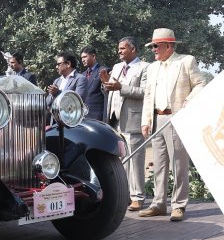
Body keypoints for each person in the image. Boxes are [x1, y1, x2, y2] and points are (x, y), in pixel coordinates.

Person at [139, 28, 205, 222]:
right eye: (152, 46)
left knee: (178, 163)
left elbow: (200, 83)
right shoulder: (152, 68)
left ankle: (178, 205)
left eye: (156, 46)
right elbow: (148, 96)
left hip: (177, 117)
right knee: (159, 165)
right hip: (157, 119)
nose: (153, 49)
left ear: (168, 45)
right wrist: (146, 121)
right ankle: (158, 204)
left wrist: (190, 100)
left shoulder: (186, 61)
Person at [101, 36, 149, 211]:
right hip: (114, 120)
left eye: (122, 48)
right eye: (118, 48)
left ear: (133, 49)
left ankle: (138, 196)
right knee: (121, 160)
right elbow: (109, 88)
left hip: (133, 120)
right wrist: (105, 83)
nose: (119, 51)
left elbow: (145, 92)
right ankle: (126, 194)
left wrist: (121, 87)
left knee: (136, 159)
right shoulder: (116, 67)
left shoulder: (144, 67)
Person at [80, 47, 106, 121]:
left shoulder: (103, 71)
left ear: (93, 56)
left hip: (98, 117)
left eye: (85, 57)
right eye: (81, 58)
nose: (82, 60)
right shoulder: (82, 75)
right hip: (83, 117)